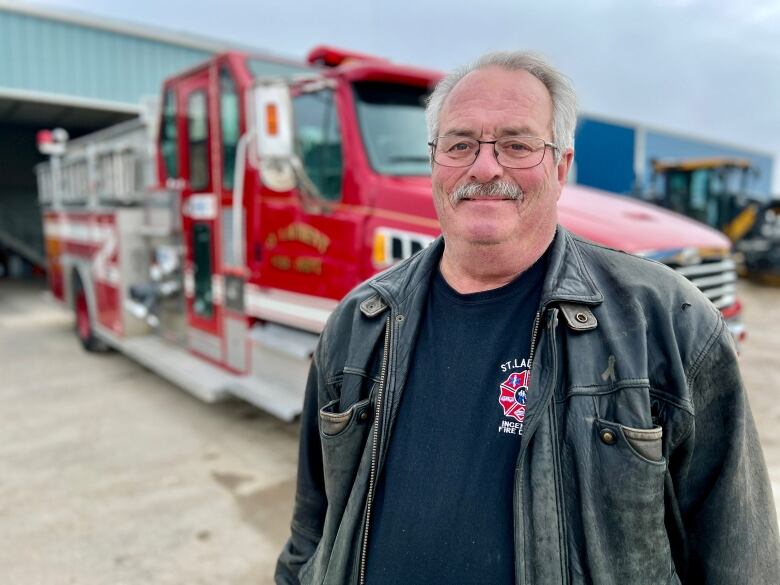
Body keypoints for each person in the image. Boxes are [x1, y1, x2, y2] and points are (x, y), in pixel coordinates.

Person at [276, 51, 780, 585]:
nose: (484, 166)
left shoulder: (669, 322)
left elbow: (738, 557)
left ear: (560, 167)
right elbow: (314, 526)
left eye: (516, 145)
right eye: (460, 144)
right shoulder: (359, 322)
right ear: (435, 162)